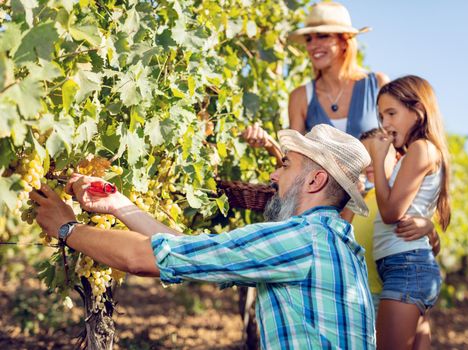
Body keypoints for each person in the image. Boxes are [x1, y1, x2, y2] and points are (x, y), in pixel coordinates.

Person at [31, 124, 377, 349]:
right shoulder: (334, 241)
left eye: (285, 165)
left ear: (315, 181)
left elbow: (143, 259)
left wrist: (68, 229)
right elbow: (190, 251)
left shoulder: (301, 240)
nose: (273, 175)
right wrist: (119, 204)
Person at [242, 2, 389, 163]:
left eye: (323, 36)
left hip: (376, 188)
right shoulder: (300, 97)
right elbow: (292, 164)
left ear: (344, 41)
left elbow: (395, 146)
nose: (313, 45)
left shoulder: (377, 84)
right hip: (325, 189)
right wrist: (269, 144)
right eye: (308, 39)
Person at [368, 75, 450, 350]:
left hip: (406, 266)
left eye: (391, 113)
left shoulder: (421, 149)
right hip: (406, 266)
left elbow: (391, 212)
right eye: (381, 116)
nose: (385, 123)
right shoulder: (416, 152)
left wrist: (379, 161)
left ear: (418, 110)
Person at [346, 128, 440, 349]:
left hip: (392, 292)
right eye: (364, 156)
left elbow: (432, 249)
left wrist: (429, 228)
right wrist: (352, 198)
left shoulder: (405, 200)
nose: (370, 162)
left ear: (398, 158)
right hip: (360, 295)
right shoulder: (361, 199)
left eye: (378, 153)